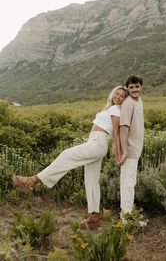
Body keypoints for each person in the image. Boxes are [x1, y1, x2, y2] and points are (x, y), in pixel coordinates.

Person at [12, 85, 128, 227]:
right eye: (117, 93)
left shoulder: (116, 110)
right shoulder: (110, 108)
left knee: (66, 155)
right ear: (113, 93)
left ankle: (33, 180)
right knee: (91, 179)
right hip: (95, 141)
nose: (118, 97)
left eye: (122, 96)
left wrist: (118, 152)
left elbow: (116, 132)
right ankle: (94, 216)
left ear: (124, 99)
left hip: (98, 142)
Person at [119, 74, 144, 219]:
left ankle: (127, 215)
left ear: (141, 87)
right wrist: (125, 150)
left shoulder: (139, 101)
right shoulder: (128, 103)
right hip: (129, 151)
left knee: (129, 183)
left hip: (135, 149)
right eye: (131, 87)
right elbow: (124, 128)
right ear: (128, 89)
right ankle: (126, 219)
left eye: (137, 86)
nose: (134, 89)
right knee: (128, 184)